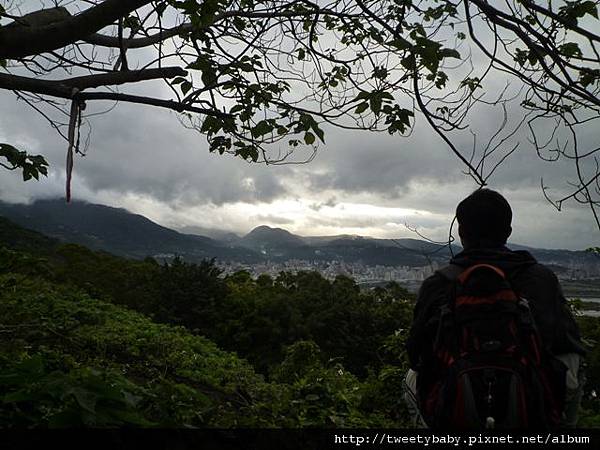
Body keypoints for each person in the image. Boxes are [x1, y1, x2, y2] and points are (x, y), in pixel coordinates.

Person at [404, 188, 586, 428]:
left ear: (461, 232)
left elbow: (416, 354)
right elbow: (565, 342)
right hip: (530, 400)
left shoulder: (438, 284)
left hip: (456, 397)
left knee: (409, 379)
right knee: (572, 360)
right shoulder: (540, 279)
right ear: (508, 231)